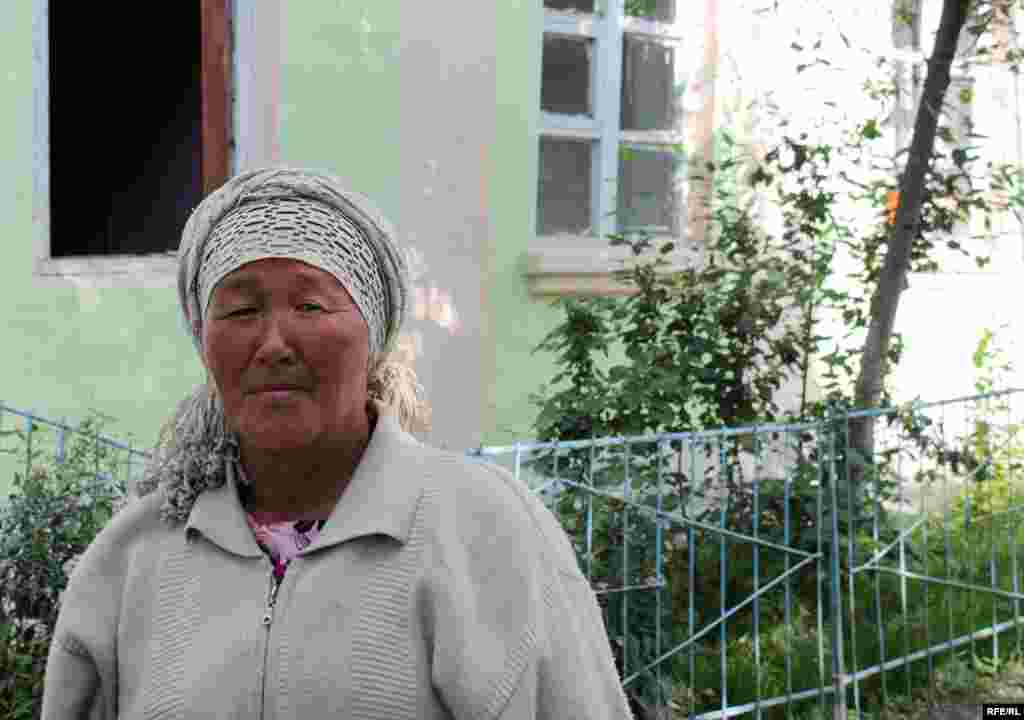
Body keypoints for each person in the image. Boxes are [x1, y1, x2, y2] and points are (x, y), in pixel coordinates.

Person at [41, 167, 636, 719]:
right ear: (204, 342)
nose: (274, 342)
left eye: (310, 304)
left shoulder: (482, 530)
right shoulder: (134, 559)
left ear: (371, 335)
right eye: (242, 309)